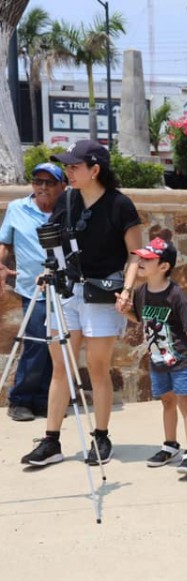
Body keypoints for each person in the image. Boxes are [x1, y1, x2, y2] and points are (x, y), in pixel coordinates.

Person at [20, 140, 143, 467]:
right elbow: (54, 240)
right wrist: (48, 271)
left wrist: (128, 290)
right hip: (66, 292)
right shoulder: (68, 200)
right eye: (68, 167)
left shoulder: (120, 205)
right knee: (60, 368)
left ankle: (101, 436)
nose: (68, 172)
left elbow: (135, 253)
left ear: (95, 170)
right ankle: (51, 440)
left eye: (75, 167)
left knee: (98, 369)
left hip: (101, 295)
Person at [124, 237, 187, 476]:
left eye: (148, 259)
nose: (140, 261)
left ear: (163, 267)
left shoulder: (175, 294)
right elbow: (140, 318)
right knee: (166, 401)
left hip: (180, 359)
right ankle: (170, 446)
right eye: (141, 257)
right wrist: (125, 312)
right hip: (157, 360)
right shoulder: (141, 292)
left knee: (185, 403)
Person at [0, 163, 66, 421]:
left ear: (62, 186)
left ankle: (44, 401)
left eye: (49, 183)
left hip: (62, 290)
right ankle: (21, 400)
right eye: (38, 181)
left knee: (57, 346)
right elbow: (4, 241)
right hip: (33, 289)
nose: (42, 187)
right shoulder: (18, 208)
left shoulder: (67, 210)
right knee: (37, 343)